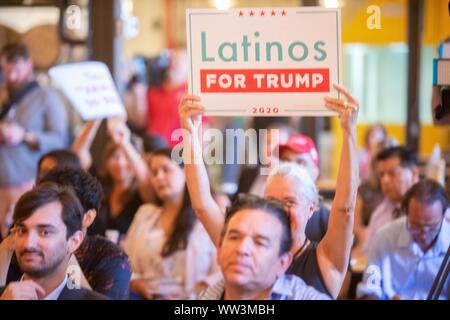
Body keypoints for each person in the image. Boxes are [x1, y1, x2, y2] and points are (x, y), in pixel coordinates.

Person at [179, 83, 360, 298]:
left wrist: (349, 132)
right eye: (272, 201)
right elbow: (202, 204)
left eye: (290, 202)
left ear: (311, 207)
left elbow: (345, 209)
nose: (280, 209)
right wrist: (190, 133)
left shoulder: (325, 258)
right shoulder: (246, 249)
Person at [2, 167, 132, 299]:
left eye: (45, 232)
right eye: (22, 230)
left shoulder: (109, 257)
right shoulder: (19, 251)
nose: (29, 243)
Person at [123, 148, 220, 299]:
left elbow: (221, 270)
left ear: (186, 173)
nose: (159, 177)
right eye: (154, 173)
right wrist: (137, 283)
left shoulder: (207, 218)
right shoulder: (145, 213)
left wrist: (195, 292)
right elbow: (125, 261)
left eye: (166, 170)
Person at [199, 194, 330, 300]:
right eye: (234, 237)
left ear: (283, 263)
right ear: (219, 250)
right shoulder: (208, 296)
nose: (242, 249)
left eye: (260, 243)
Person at [0, 43, 68, 240]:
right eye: (7, 70)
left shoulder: (47, 97)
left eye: (16, 70)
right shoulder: (3, 96)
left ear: (29, 65)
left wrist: (25, 135)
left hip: (27, 183)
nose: (11, 76)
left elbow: (59, 140)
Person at [357, 179, 450, 300]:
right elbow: (369, 288)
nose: (423, 235)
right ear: (405, 212)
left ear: (444, 215)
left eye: (432, 227)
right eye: (416, 226)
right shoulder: (383, 238)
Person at [72, 119, 151, 237]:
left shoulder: (141, 193)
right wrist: (94, 121)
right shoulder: (99, 184)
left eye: (126, 157)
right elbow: (77, 156)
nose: (120, 163)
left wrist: (124, 143)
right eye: (115, 156)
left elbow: (146, 178)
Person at [361, 146, 419, 255]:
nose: (385, 180)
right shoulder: (379, 215)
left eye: (392, 173)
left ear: (413, 173)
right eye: (381, 175)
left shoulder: (433, 211)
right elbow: (366, 254)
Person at [279, 133, 330, 242]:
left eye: (301, 163)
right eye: (286, 161)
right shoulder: (265, 211)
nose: (292, 168)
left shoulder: (327, 221)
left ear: (315, 173)